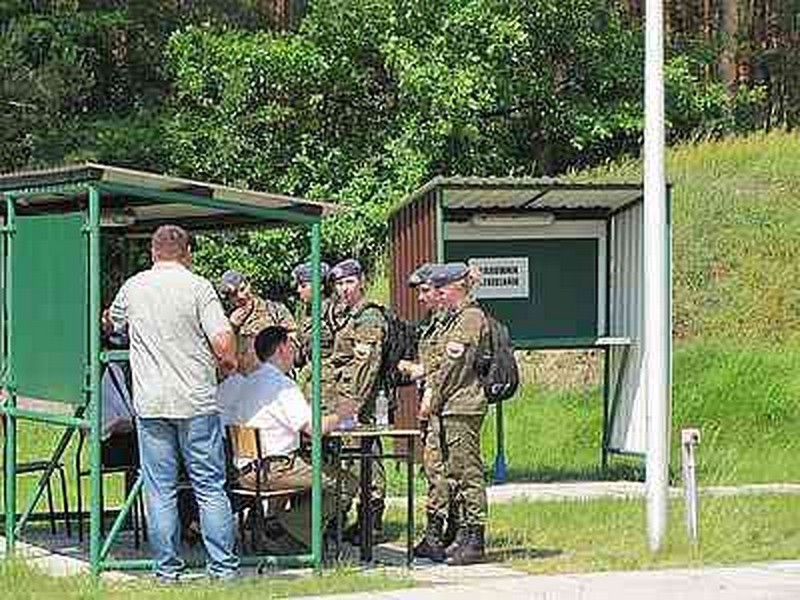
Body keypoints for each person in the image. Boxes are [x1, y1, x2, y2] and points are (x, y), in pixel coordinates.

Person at [104, 224, 239, 582]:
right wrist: (226, 366)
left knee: (159, 489)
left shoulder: (134, 287)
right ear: (188, 253)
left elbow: (111, 321)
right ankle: (223, 570)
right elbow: (223, 342)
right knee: (209, 487)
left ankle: (166, 571)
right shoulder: (199, 287)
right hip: (196, 402)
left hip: (151, 405)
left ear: (153, 252)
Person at [217, 325, 356, 553]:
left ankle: (279, 527)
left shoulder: (248, 382)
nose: (295, 351)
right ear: (282, 348)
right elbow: (314, 429)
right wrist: (342, 413)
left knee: (314, 474)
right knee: (345, 483)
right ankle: (287, 533)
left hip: (242, 470)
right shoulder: (282, 385)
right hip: (273, 470)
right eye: (292, 345)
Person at [426, 262, 489, 566]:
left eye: (442, 289)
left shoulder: (470, 318)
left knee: (468, 472)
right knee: (454, 472)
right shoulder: (453, 319)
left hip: (463, 404)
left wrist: (433, 400)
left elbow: (452, 368)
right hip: (451, 405)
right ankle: (463, 535)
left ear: (458, 287)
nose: (438, 294)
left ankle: (475, 538)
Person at [398, 263, 459, 562]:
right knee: (438, 468)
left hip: (445, 403)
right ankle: (444, 532)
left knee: (441, 468)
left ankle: (441, 535)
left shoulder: (452, 322)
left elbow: (445, 366)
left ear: (438, 290)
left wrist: (423, 378)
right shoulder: (433, 321)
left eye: (425, 291)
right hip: (436, 403)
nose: (421, 297)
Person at [326, 258, 388, 543]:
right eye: (339, 283)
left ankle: (371, 521)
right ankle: (350, 518)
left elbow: (366, 366)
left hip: (361, 402)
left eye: (349, 282)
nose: (344, 289)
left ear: (361, 281)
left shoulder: (368, 317)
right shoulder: (346, 315)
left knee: (367, 458)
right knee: (349, 459)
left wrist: (350, 407)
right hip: (344, 398)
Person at [217, 269, 296, 375]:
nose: (241, 296)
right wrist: (232, 327)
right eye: (233, 295)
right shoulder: (224, 323)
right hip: (247, 385)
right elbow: (222, 360)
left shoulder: (274, 310)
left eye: (242, 289)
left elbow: (294, 341)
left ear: (249, 285)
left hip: (276, 381)